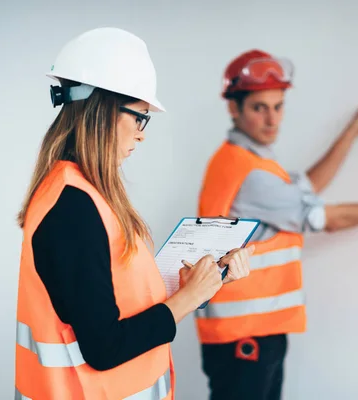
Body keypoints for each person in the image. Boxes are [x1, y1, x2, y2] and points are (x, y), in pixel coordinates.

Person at [14, 27, 254, 400]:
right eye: (139, 117)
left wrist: (203, 282)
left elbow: (117, 298)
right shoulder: (72, 209)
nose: (142, 134)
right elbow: (104, 347)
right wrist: (187, 300)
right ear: (104, 108)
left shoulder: (88, 193)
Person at [196, 49, 358, 400]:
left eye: (278, 106)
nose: (272, 119)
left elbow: (307, 186)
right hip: (244, 333)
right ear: (234, 109)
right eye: (259, 107)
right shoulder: (250, 174)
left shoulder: (250, 163)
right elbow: (329, 219)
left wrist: (353, 130)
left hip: (254, 329)